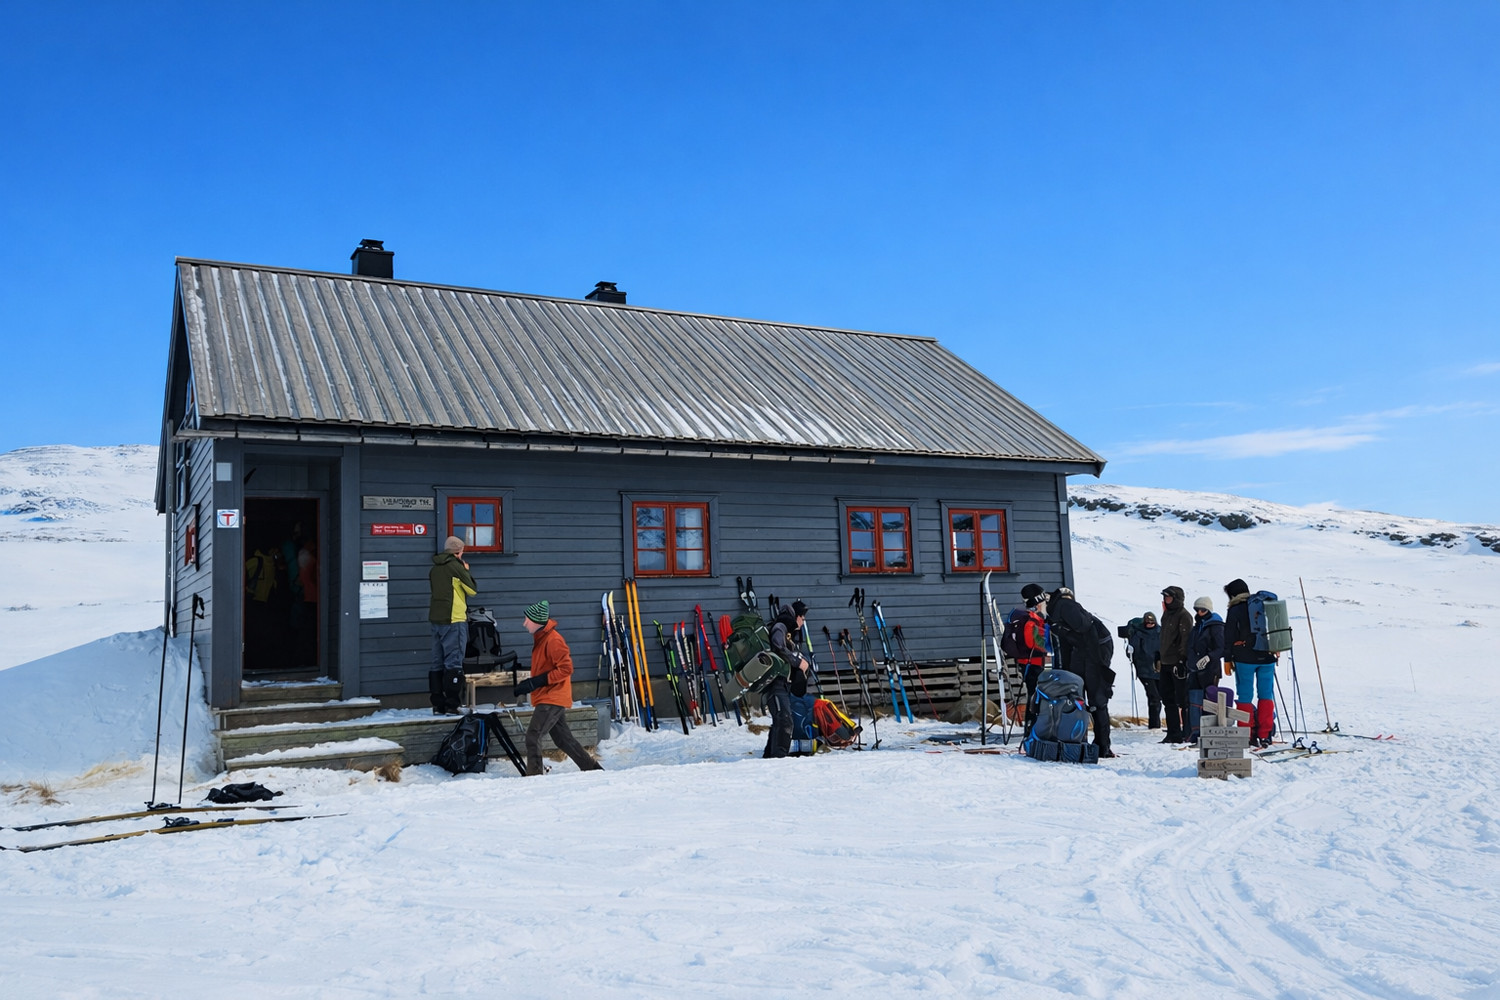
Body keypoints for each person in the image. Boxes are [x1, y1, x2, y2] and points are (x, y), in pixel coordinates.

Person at [512, 600, 604, 775]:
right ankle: (593, 770)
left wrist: (536, 682)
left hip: (552, 697)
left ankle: (534, 776)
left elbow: (566, 668)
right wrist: (529, 684)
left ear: (537, 621)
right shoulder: (541, 639)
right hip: (550, 695)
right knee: (563, 740)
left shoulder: (553, 640)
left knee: (533, 736)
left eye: (527, 620)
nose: (524, 623)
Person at [1046, 587, 1116, 758]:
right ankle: (1090, 743)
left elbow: (1083, 627)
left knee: (1096, 701)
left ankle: (1101, 745)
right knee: (1083, 699)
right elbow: (1067, 644)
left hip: (1093, 654)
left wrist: (1098, 664)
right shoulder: (1059, 613)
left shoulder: (1064, 606)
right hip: (1085, 653)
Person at [1223, 578, 1277, 747]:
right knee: (1266, 695)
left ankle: (1246, 734)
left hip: (1244, 659)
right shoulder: (1264, 605)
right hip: (1267, 657)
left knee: (1245, 696)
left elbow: (1229, 636)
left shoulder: (1235, 609)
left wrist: (1228, 659)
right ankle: (1266, 734)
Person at [427, 535, 476, 715]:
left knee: (437, 662)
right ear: (459, 551)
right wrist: (466, 570)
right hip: (453, 619)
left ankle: (438, 704)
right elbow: (472, 590)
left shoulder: (434, 569)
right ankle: (452, 704)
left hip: (436, 619)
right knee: (453, 662)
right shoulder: (456, 567)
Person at [763, 600, 812, 759]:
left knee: (780, 720)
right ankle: (779, 759)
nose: (803, 622)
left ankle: (769, 757)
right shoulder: (780, 627)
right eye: (803, 619)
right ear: (797, 616)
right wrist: (798, 662)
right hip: (775, 683)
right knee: (785, 721)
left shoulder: (787, 631)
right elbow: (778, 647)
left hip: (782, 683)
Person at [1185, 597, 1224, 744]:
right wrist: (1190, 662)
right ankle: (1195, 732)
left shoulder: (1216, 625)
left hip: (1210, 670)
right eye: (1197, 610)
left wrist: (1209, 657)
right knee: (1194, 701)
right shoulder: (1197, 626)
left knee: (1209, 701)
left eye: (1203, 610)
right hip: (1195, 668)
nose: (1200, 612)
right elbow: (1191, 646)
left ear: (1208, 610)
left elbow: (1221, 648)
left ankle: (1209, 733)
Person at [1158, 586, 1193, 744]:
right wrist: (1158, 655)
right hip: (1165, 662)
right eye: (1165, 597)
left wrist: (1182, 660)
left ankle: (1187, 732)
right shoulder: (1166, 614)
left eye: (1169, 597)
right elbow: (1163, 637)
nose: (1166, 600)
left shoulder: (1184, 616)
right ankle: (1173, 732)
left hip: (1177, 663)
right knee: (1167, 698)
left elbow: (1185, 639)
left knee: (1182, 700)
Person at [1015, 584, 1051, 734]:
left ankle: (1033, 727)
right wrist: (1047, 645)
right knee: (1034, 696)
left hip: (1033, 663)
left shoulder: (1034, 619)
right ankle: (1030, 728)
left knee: (1035, 695)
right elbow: (1033, 642)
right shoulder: (1032, 620)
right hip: (1031, 664)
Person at [1124, 611, 1162, 729]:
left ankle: (1156, 724)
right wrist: (1130, 651)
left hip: (1159, 670)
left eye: (1152, 622)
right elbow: (1132, 650)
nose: (1150, 624)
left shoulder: (1160, 632)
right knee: (1154, 697)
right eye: (1148, 622)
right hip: (1144, 670)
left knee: (1159, 696)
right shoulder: (1139, 634)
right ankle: (1154, 725)